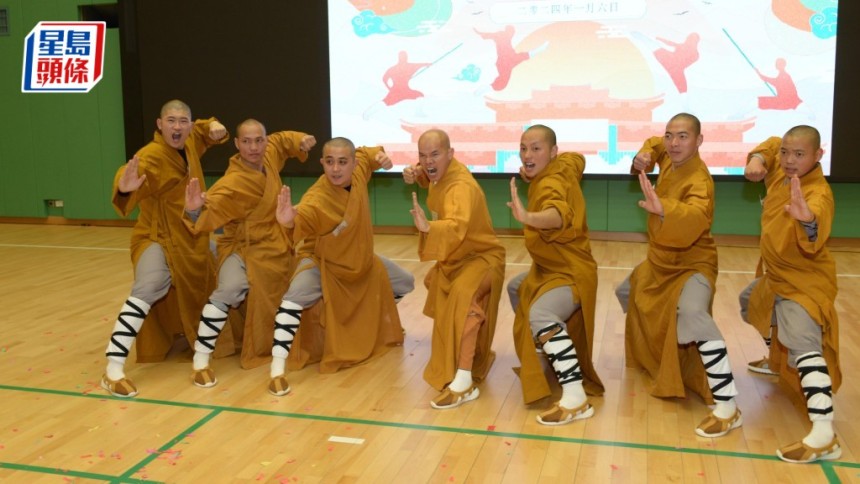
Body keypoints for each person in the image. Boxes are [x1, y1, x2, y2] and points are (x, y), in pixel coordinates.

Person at [615, 113, 742, 437]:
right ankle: (661, 359)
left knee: (693, 313)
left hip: (692, 263)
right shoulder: (668, 153)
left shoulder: (700, 179)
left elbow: (697, 216)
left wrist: (664, 210)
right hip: (659, 261)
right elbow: (652, 148)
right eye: (670, 135)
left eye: (683, 137)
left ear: (699, 141)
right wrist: (641, 155)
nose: (673, 143)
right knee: (627, 292)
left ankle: (728, 405)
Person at [102, 99, 228, 397]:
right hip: (156, 237)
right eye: (171, 121)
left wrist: (215, 128)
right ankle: (113, 366)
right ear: (159, 125)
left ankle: (202, 352)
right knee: (151, 285)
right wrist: (124, 186)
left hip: (192, 236)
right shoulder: (152, 156)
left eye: (183, 121)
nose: (178, 127)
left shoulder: (191, 138)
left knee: (225, 268)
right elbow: (130, 173)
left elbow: (205, 128)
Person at [268, 138, 414, 396]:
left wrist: (381, 155)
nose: (336, 169)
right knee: (293, 300)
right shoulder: (318, 196)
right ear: (322, 163)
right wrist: (290, 220)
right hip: (321, 261)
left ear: (353, 164)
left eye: (342, 162)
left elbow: (369, 153)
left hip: (359, 261)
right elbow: (306, 212)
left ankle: (371, 322)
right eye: (330, 162)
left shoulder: (359, 172)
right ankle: (277, 370)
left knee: (405, 282)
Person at [182, 119, 316, 387]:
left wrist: (300, 138)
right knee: (231, 288)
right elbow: (211, 209)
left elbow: (283, 139)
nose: (253, 147)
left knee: (300, 290)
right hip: (241, 248)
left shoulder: (269, 154)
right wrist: (195, 209)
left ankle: (277, 344)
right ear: (236, 144)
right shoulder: (233, 182)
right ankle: (201, 358)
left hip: (276, 248)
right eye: (246, 141)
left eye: (258, 140)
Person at [740, 125, 841, 463]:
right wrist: (757, 157)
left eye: (799, 154)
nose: (788, 159)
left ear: (818, 156)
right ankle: (773, 359)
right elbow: (769, 143)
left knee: (803, 345)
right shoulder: (779, 176)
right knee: (749, 301)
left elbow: (817, 221)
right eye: (785, 153)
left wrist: (807, 219)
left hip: (804, 282)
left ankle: (825, 434)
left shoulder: (817, 193)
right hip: (776, 277)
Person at [506, 125, 604, 425]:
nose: (527, 155)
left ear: (552, 151)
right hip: (547, 269)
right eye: (524, 148)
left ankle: (576, 399)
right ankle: (548, 352)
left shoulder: (551, 183)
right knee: (516, 288)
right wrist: (534, 171)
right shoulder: (566, 164)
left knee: (541, 314)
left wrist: (528, 218)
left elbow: (558, 214)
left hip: (570, 273)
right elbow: (579, 159)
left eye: (536, 148)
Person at [403, 129, 506, 409]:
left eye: (434, 154)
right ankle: (471, 352)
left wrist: (428, 228)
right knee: (433, 283)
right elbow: (431, 180)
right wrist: (419, 174)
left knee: (464, 297)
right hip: (454, 258)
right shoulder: (441, 174)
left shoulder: (461, 186)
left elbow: (457, 225)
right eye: (422, 156)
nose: (428, 161)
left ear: (451, 153)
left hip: (482, 258)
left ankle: (463, 382)